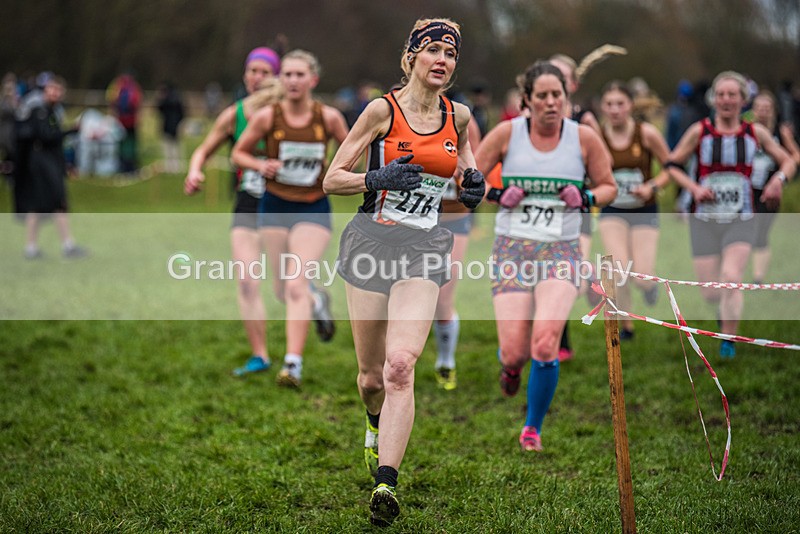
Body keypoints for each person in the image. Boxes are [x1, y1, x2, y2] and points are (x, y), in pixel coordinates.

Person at [323, 18, 484, 526]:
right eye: (433, 50)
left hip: (424, 249)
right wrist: (377, 176)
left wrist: (474, 188)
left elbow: (467, 171)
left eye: (451, 54)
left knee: (399, 365)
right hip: (370, 243)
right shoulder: (380, 111)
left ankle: (385, 485)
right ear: (411, 57)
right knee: (371, 377)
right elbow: (332, 179)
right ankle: (373, 424)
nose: (443, 60)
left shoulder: (458, 116)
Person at [475, 60, 616, 452]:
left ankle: (532, 428)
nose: (551, 103)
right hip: (512, 250)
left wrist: (586, 197)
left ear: (567, 99)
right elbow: (466, 176)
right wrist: (498, 194)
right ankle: (510, 368)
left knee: (545, 342)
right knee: (517, 351)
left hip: (562, 251)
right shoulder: (507, 134)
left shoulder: (584, 139)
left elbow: (609, 186)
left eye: (558, 95)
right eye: (542, 96)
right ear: (527, 100)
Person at [232, 49, 349, 388]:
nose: (294, 80)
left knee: (296, 281)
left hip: (313, 209)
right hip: (273, 208)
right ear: (280, 80)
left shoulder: (328, 118)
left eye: (300, 75)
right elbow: (239, 151)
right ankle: (317, 300)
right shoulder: (268, 117)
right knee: (283, 290)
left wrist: (338, 168)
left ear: (313, 80)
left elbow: (355, 149)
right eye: (288, 74)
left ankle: (292, 364)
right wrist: (259, 165)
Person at [667, 71, 796, 358]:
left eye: (732, 95)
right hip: (704, 220)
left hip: (742, 218)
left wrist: (778, 181)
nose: (726, 100)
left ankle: (729, 340)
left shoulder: (755, 133)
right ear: (714, 99)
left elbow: (787, 160)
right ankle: (722, 313)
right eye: (721, 95)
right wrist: (694, 188)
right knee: (711, 291)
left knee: (730, 277)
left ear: (742, 100)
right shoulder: (700, 131)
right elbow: (672, 165)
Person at [184, 47, 282, 377]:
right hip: (247, 203)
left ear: (277, 77)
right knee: (247, 281)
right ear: (244, 75)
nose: (257, 77)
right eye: (252, 71)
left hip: (287, 206)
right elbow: (203, 149)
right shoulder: (234, 114)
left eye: (264, 72)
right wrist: (194, 171)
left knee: (287, 284)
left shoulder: (291, 112)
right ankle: (260, 355)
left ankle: (315, 301)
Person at [597, 81, 672, 338]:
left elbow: (671, 167)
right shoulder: (597, 135)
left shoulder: (646, 133)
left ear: (630, 105)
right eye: (609, 104)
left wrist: (652, 186)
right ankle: (626, 325)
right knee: (619, 271)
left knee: (641, 277)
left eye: (620, 103)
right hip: (612, 210)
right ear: (602, 107)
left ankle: (649, 288)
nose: (615, 109)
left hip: (644, 210)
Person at [431, 116, 481, 390]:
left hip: (454, 221)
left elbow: (478, 167)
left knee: (443, 295)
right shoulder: (400, 119)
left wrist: (467, 178)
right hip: (413, 222)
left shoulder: (461, 121)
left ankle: (445, 361)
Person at [13, 75, 87, 259]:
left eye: (58, 90)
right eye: (51, 89)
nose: (54, 93)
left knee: (59, 204)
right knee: (38, 206)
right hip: (40, 166)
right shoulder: (39, 111)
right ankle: (31, 247)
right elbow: (47, 136)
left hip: (52, 164)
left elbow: (53, 137)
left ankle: (67, 245)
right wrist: (70, 131)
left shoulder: (52, 112)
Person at [749, 90, 800, 284]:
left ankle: (758, 278)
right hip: (748, 189)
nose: (763, 112)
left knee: (761, 232)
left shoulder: (781, 132)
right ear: (753, 110)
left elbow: (795, 156)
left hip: (770, 190)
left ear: (773, 111)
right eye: (759, 108)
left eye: (767, 108)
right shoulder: (746, 131)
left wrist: (781, 174)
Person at [106, 72, 142, 173]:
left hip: (120, 121)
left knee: (121, 143)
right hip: (132, 121)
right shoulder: (134, 88)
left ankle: (122, 165)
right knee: (131, 143)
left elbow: (111, 102)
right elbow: (137, 104)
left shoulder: (116, 86)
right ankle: (131, 166)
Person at [156, 81, 185, 173]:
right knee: (176, 147)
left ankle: (170, 167)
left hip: (168, 126)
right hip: (176, 126)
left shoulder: (165, 100)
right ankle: (176, 167)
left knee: (169, 148)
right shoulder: (178, 99)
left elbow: (159, 109)